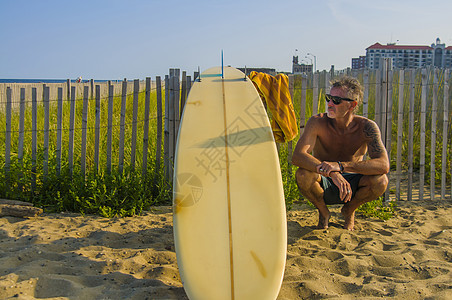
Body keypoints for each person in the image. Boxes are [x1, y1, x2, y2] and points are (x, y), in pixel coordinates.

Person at [291, 76, 389, 231]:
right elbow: (298, 156)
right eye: (329, 98)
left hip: (353, 181)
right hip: (325, 178)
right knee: (302, 174)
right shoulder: (317, 122)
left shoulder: (366, 127)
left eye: (336, 100)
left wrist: (340, 167)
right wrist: (332, 173)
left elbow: (383, 165)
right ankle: (324, 212)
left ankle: (349, 210)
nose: (330, 104)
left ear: (352, 105)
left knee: (381, 181)